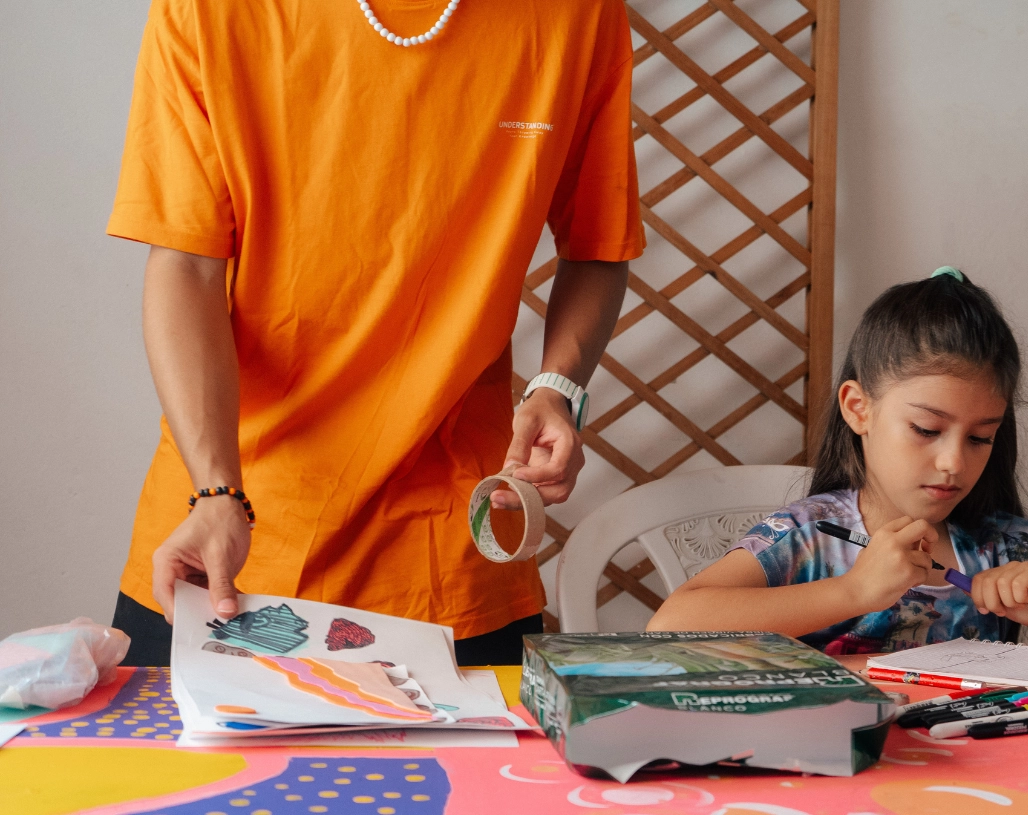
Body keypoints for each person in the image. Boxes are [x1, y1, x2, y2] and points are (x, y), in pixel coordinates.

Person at [106, 0, 644, 667]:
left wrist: (556, 387)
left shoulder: (577, 13)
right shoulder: (208, 10)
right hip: (227, 537)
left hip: (448, 555)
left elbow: (596, 242)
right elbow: (184, 264)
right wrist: (217, 490)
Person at [648, 268, 1028, 652]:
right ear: (858, 408)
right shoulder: (811, 536)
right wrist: (853, 593)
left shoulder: (1002, 547)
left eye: (980, 438)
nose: (953, 463)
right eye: (926, 429)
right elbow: (670, 623)